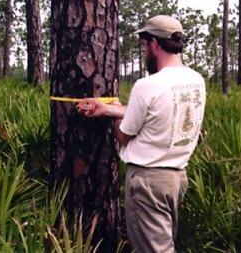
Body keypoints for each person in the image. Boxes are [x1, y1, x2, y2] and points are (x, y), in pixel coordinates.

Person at [78, 14, 206, 253]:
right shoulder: (196, 81)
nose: (145, 50)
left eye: (145, 44)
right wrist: (110, 107)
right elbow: (154, 112)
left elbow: (124, 137)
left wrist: (113, 113)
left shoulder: (147, 85)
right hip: (177, 179)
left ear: (155, 43)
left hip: (148, 182)